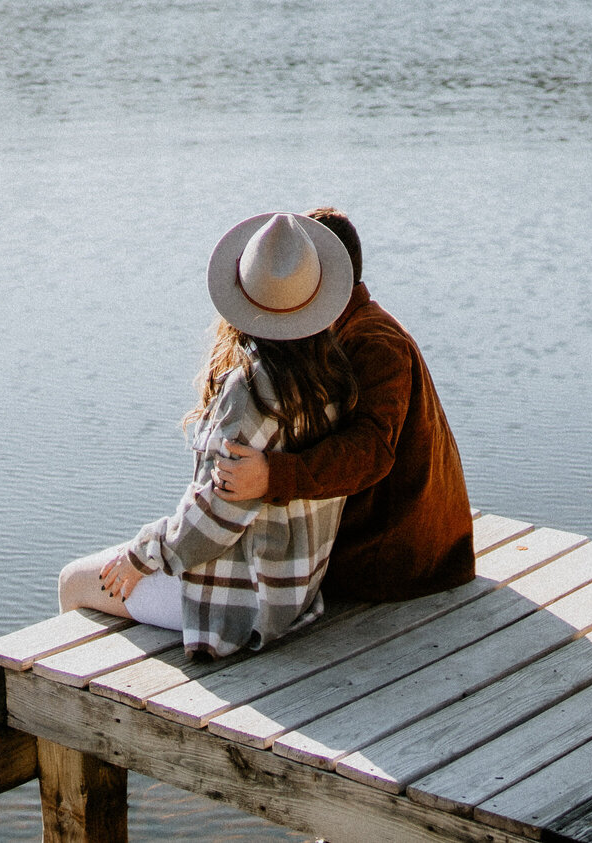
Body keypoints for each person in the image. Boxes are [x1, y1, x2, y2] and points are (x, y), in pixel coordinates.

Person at [57, 212, 359, 659]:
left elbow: (217, 518)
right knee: (115, 571)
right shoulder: (331, 377)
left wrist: (143, 553)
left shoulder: (252, 391)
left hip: (238, 604)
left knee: (73, 581)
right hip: (293, 595)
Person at [210, 208, 476, 602]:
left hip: (400, 561)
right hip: (398, 547)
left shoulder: (376, 342)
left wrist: (273, 476)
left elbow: (370, 451)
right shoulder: (348, 329)